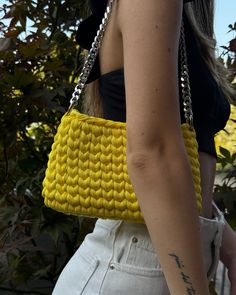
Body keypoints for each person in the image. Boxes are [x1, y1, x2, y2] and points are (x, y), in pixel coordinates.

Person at [53, 0, 236, 294]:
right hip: (142, 269)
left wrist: (226, 245)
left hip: (161, 264)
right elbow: (151, 156)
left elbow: (182, 164)